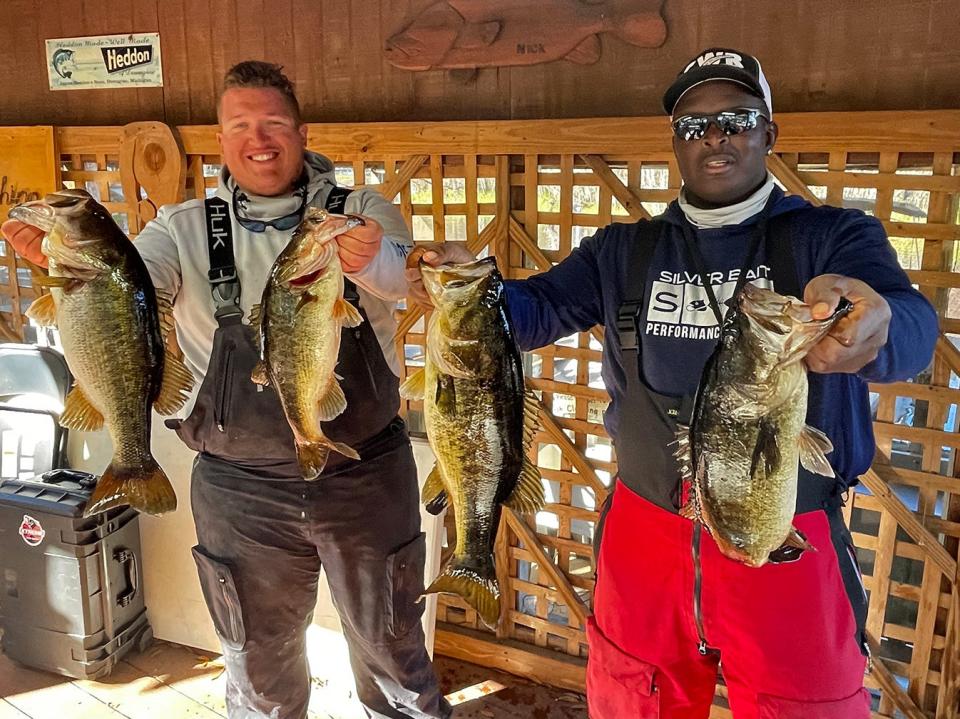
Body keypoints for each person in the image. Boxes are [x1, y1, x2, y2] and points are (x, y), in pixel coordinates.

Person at [407, 48, 938, 718]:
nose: (715, 136)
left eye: (736, 118)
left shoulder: (832, 238)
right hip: (643, 539)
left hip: (785, 536)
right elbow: (527, 310)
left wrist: (881, 324)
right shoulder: (621, 252)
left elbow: (914, 328)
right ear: (675, 143)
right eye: (694, 125)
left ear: (770, 133)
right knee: (635, 703)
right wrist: (469, 287)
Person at [3, 61, 451, 719]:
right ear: (220, 138)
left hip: (362, 475)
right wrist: (74, 268)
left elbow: (400, 278)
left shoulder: (359, 211)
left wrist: (373, 259)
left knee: (393, 655)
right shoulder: (179, 228)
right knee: (258, 670)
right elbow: (132, 287)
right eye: (241, 125)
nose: (259, 139)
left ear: (301, 132)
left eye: (273, 123)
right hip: (239, 492)